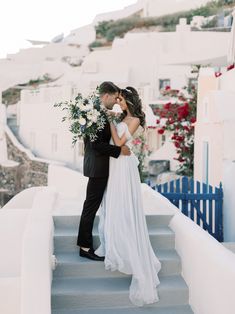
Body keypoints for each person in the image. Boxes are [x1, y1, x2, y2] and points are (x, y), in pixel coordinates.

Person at [95, 86, 161, 306]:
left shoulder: (134, 120)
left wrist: (111, 121)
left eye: (121, 100)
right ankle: (115, 241)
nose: (118, 103)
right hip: (116, 164)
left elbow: (121, 142)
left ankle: (128, 247)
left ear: (129, 101)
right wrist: (111, 117)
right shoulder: (122, 116)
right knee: (112, 202)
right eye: (118, 100)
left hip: (123, 166)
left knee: (123, 204)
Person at [77, 81, 131, 261]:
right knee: (90, 207)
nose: (116, 101)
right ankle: (85, 247)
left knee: (91, 206)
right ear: (106, 96)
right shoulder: (95, 114)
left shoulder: (96, 112)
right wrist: (119, 150)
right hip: (98, 168)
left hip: (98, 166)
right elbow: (96, 144)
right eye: (115, 97)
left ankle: (87, 245)